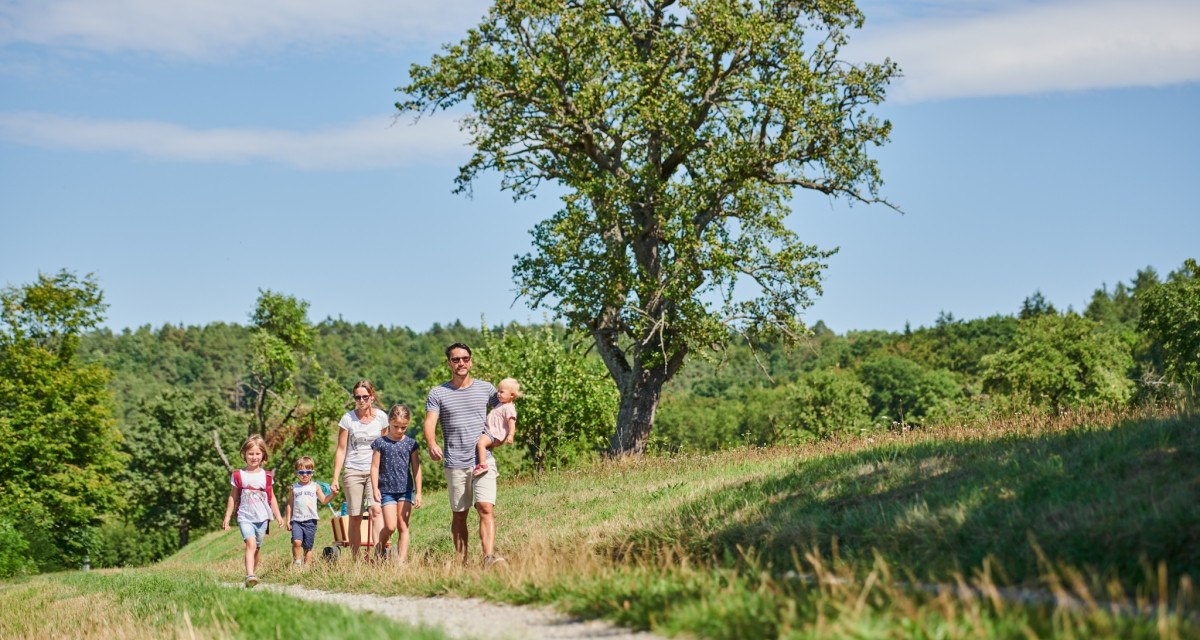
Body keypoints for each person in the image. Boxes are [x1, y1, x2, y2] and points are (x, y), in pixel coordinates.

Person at [423, 342, 503, 566]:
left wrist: (498, 438)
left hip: (483, 459)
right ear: (449, 363)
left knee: (485, 507)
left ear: (471, 361)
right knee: (460, 514)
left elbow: (504, 412)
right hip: (455, 462)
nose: (461, 363)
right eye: (456, 359)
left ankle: (488, 557)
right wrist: (431, 443)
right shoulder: (438, 393)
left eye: (465, 359)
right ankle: (462, 561)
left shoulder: (486, 388)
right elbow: (430, 422)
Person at [330, 380, 388, 559]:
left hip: (375, 470)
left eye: (365, 396)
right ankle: (356, 558)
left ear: (372, 396)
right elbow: (341, 449)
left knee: (376, 510)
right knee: (355, 515)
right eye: (357, 397)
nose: (361, 400)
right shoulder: (348, 419)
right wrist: (335, 477)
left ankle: (378, 555)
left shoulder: (381, 417)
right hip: (353, 470)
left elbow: (386, 445)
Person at [222, 435, 285, 588]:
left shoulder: (267, 476)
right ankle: (249, 574)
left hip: (263, 517)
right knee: (250, 544)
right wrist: (227, 517)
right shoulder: (238, 475)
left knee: (257, 547)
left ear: (263, 455)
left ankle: (252, 574)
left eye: (257, 453)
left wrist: (277, 515)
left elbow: (272, 497)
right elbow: (233, 496)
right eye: (250, 453)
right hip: (245, 516)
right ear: (244, 454)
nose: (254, 457)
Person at [370, 403, 423, 562]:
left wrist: (419, 492)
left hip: (405, 490)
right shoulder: (380, 443)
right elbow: (374, 467)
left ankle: (400, 562)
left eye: (403, 427)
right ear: (389, 422)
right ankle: (380, 548)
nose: (399, 430)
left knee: (403, 526)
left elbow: (416, 469)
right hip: (386, 491)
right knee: (391, 526)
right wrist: (374, 488)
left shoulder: (410, 443)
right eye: (396, 426)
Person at [285, 455, 335, 566]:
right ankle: (297, 563)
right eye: (301, 472)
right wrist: (288, 520)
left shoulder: (315, 486)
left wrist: (333, 494)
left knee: (308, 547)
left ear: (312, 472)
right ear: (297, 473)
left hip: (311, 521)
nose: (305, 475)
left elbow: (324, 500)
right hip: (297, 520)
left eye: (308, 472)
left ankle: (306, 568)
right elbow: (290, 504)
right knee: (296, 542)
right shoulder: (294, 487)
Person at [473, 377, 520, 477]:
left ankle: (482, 465)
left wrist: (510, 435)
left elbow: (512, 423)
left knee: (480, 443)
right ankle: (492, 469)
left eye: (501, 392)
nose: (498, 394)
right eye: (498, 391)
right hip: (490, 431)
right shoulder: (501, 404)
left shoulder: (509, 408)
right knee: (486, 450)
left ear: (511, 395)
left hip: (494, 434)